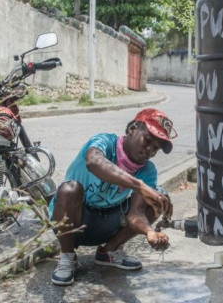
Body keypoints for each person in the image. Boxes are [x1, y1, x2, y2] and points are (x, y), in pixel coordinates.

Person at [49, 108, 177, 286]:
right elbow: (94, 162)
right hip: (73, 224)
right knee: (70, 189)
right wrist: (140, 185)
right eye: (148, 140)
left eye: (155, 148)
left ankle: (109, 251)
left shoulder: (147, 170)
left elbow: (136, 214)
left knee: (159, 196)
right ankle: (67, 257)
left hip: (107, 223)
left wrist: (149, 232)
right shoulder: (104, 142)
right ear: (133, 128)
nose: (150, 150)